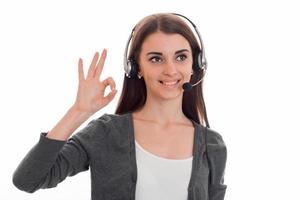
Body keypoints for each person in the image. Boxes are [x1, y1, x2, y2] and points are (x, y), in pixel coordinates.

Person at [12, 13, 227, 200]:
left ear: (196, 64)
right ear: (135, 67)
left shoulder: (212, 145)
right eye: (156, 59)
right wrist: (79, 111)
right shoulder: (106, 133)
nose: (170, 70)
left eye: (181, 57)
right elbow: (27, 180)